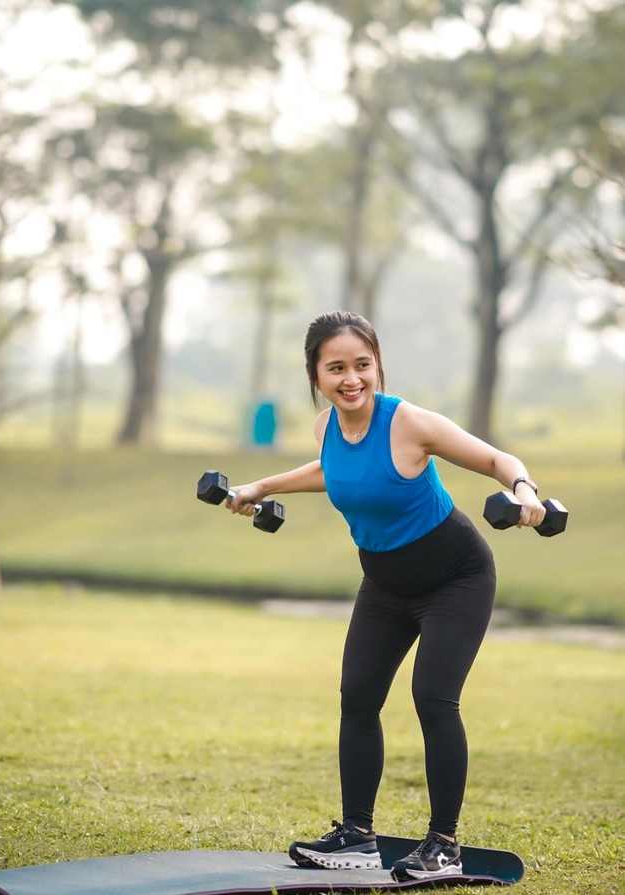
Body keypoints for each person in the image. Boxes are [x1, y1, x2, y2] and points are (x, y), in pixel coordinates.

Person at [226, 310, 546, 881]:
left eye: (362, 365)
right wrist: (261, 486)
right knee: (358, 697)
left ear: (377, 366)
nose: (351, 379)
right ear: (316, 375)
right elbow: (333, 470)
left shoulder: (409, 423)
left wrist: (524, 491)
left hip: (457, 577)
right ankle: (357, 836)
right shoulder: (327, 427)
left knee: (433, 698)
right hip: (385, 585)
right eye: (336, 368)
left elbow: (498, 460)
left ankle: (444, 846)